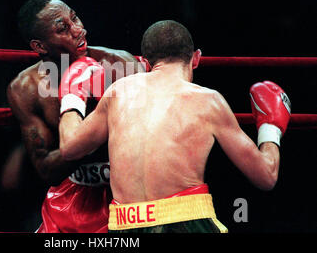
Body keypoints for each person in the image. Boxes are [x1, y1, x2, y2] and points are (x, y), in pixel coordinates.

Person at [58, 20, 291, 233]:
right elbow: (266, 176)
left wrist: (72, 97)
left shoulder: (119, 91)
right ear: (196, 58)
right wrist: (270, 128)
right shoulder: (209, 100)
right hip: (187, 221)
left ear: (146, 63)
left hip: (124, 226)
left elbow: (69, 148)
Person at [7, 0, 146, 233]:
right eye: (63, 28)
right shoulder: (27, 89)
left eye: (75, 18)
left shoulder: (119, 65)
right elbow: (45, 169)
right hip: (71, 198)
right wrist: (90, 137)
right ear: (39, 46)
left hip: (129, 193)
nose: (78, 30)